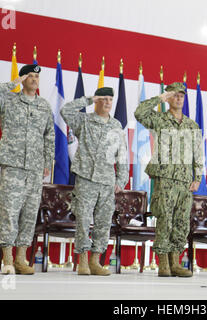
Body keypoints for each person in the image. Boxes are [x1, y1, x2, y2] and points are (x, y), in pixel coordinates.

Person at [0, 64, 54, 275]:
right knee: (10, 211)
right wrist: (13, 84)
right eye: (29, 76)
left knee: (29, 214)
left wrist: (47, 162)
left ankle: (21, 259)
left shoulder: (44, 106)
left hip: (35, 167)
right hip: (12, 165)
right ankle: (8, 259)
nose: (34, 79)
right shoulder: (8, 100)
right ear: (23, 78)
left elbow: (49, 135)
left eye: (36, 76)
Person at [134, 82, 203, 277]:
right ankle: (163, 262)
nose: (179, 98)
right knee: (165, 218)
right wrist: (159, 99)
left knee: (181, 222)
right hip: (165, 178)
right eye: (174, 95)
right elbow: (139, 113)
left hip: (185, 180)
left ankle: (176, 262)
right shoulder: (159, 120)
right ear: (168, 97)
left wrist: (197, 177)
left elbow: (198, 153)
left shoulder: (192, 125)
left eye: (182, 95)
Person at [61, 87, 128, 276]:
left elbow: (121, 155)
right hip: (86, 178)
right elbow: (65, 111)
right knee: (83, 220)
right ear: (97, 100)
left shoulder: (116, 126)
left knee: (103, 222)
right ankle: (82, 260)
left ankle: (95, 261)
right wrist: (88, 100)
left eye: (110, 100)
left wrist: (121, 180)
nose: (107, 103)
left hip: (107, 181)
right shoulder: (84, 121)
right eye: (103, 99)